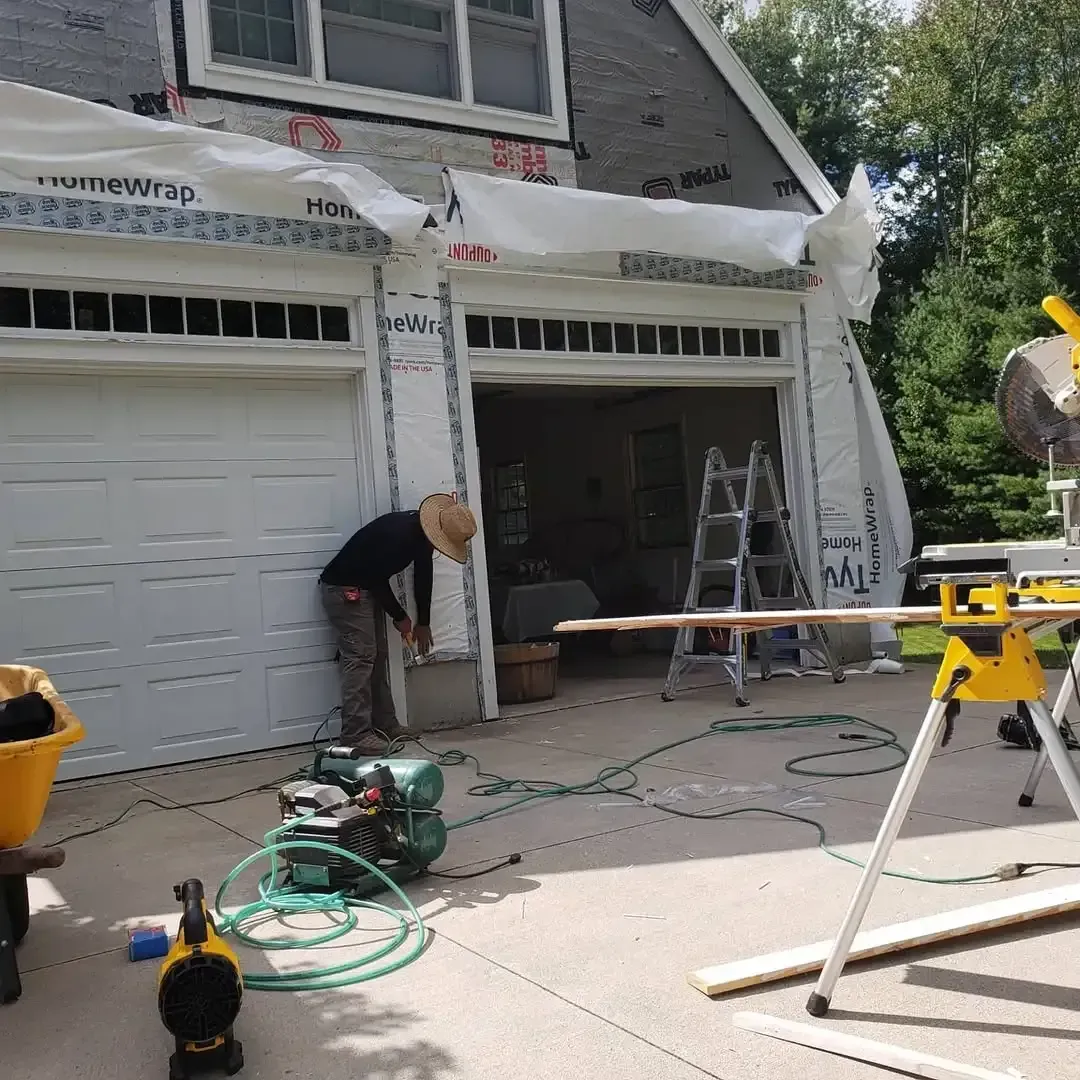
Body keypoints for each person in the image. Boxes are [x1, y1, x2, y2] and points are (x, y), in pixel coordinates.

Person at [319, 493, 478, 753]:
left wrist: (423, 622)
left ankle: (385, 725)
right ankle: (355, 735)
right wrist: (400, 616)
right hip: (345, 589)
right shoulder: (399, 536)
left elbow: (423, 573)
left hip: (364, 587)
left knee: (377, 655)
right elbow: (375, 577)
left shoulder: (420, 534)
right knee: (361, 658)